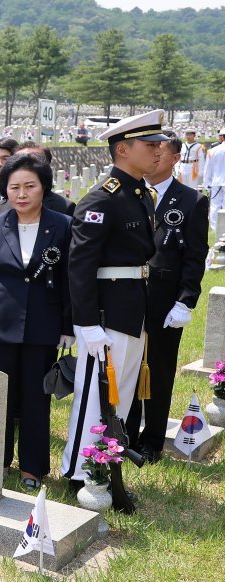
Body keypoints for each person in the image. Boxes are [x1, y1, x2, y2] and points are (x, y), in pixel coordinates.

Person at [60, 110, 165, 497]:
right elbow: (80, 265)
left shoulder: (138, 193)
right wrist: (86, 324)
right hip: (105, 316)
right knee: (95, 399)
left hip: (131, 309)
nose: (158, 151)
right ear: (123, 149)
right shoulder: (103, 198)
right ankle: (80, 473)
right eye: (149, 145)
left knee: (116, 398)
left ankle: (105, 470)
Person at [0, 152, 74, 491]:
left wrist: (67, 326)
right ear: (5, 191)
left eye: (30, 186)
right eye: (14, 187)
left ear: (44, 188)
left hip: (43, 325)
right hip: (0, 323)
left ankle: (32, 468)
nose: (22, 194)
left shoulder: (62, 225)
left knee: (34, 399)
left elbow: (71, 279)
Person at [126, 131, 210, 463]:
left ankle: (152, 441)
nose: (153, 157)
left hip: (165, 299)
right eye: (149, 150)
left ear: (175, 158)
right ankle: (126, 434)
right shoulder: (130, 193)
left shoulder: (190, 200)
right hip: (129, 295)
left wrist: (185, 300)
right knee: (128, 366)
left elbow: (195, 255)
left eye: (159, 152)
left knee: (159, 371)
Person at [0, 142, 75, 217]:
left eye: (35, 161)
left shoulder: (64, 207)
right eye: (21, 161)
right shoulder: (0, 207)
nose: (27, 166)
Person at [202, 128, 225, 233]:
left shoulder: (212, 151)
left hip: (216, 182)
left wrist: (206, 184)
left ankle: (216, 229)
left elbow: (208, 170)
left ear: (222, 137)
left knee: (215, 206)